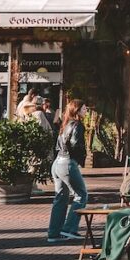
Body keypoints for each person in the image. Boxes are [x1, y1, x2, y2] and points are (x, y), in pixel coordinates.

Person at [47, 99, 88, 242]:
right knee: (81, 195)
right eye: (84, 108)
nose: (86, 111)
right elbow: (76, 144)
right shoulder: (77, 125)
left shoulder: (65, 124)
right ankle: (69, 228)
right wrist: (79, 159)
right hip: (68, 162)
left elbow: (59, 144)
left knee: (60, 198)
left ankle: (54, 233)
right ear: (77, 110)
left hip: (57, 163)